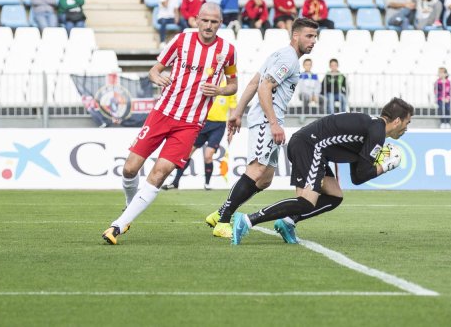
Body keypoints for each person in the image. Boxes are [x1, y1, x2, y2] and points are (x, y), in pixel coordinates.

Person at [102, 4, 238, 244]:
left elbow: (234, 85)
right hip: (162, 114)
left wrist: (219, 90)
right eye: (205, 20)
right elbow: (154, 71)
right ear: (196, 20)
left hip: (190, 124)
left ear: (220, 23)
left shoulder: (228, 51)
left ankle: (118, 225)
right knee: (130, 169)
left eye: (214, 22)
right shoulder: (181, 41)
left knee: (160, 172)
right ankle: (129, 208)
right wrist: (157, 77)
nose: (208, 26)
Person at [227, 98, 412, 245]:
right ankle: (248, 220)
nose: (406, 128)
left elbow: (356, 176)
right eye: (407, 122)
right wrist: (385, 166)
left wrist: (377, 165)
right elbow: (363, 175)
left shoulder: (372, 127)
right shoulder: (377, 132)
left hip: (312, 147)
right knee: (306, 202)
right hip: (310, 146)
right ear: (397, 121)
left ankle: (288, 221)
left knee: (334, 196)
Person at [204, 18, 320, 239]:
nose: (313, 41)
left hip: (270, 120)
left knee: (265, 178)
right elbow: (264, 87)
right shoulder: (288, 59)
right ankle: (224, 221)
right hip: (267, 121)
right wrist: (274, 123)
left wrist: (237, 113)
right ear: (295, 35)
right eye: (309, 36)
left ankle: (219, 213)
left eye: (315, 36)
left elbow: (253, 83)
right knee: (256, 170)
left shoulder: (278, 54)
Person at [164, 79, 238, 192]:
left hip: (218, 126)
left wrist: (231, 126)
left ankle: (207, 184)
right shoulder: (208, 82)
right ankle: (175, 182)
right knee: (187, 153)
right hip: (202, 123)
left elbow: (233, 108)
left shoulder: (229, 87)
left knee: (208, 155)